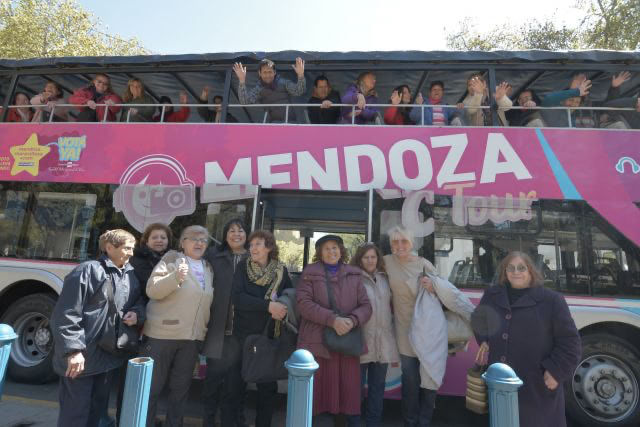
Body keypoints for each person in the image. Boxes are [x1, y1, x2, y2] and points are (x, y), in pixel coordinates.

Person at [471, 251, 581, 427]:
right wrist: (483, 339)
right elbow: (479, 318)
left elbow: (570, 342)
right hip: (500, 383)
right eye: (511, 268)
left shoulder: (552, 300)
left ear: (531, 270)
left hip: (536, 384)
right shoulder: (492, 295)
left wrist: (556, 371)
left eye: (521, 268)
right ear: (505, 271)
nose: (516, 272)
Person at [51, 229, 145, 427]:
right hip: (82, 357)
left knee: (95, 414)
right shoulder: (87, 270)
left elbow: (138, 302)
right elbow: (66, 313)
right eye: (127, 248)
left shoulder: (129, 274)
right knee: (75, 415)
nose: (131, 253)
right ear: (109, 247)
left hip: (108, 358)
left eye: (132, 248)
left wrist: (137, 313)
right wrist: (73, 351)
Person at [142, 225, 214, 427]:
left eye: (203, 240)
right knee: (152, 388)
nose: (199, 243)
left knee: (181, 391)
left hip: (191, 339)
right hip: (162, 335)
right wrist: (175, 277)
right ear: (183, 242)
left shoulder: (208, 267)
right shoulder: (172, 259)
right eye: (194, 238)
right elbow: (152, 290)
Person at [297, 234, 372, 427]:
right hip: (318, 342)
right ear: (320, 253)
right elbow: (303, 304)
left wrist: (352, 321)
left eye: (335, 247)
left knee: (345, 394)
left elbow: (366, 306)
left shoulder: (354, 274)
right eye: (327, 248)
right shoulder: (310, 272)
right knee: (315, 395)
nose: (332, 251)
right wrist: (332, 320)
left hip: (347, 342)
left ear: (341, 250)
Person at [229, 230, 293, 427]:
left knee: (267, 387)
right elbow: (237, 298)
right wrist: (267, 306)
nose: (253, 248)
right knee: (236, 385)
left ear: (269, 247)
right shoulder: (243, 267)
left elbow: (289, 295)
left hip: (268, 336)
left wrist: (281, 307)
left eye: (258, 244)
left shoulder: (280, 271)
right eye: (251, 244)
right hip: (243, 336)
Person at [383, 225, 441, 426]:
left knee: (429, 379)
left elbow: (444, 293)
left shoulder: (424, 264)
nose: (399, 246)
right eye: (395, 242)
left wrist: (433, 288)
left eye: (404, 241)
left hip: (427, 330)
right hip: (404, 330)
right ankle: (410, 421)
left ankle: (425, 421)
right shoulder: (386, 262)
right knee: (410, 379)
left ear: (412, 243)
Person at [202, 219, 250, 427]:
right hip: (217, 328)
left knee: (236, 383)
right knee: (212, 381)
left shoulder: (253, 257)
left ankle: (232, 421)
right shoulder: (213, 255)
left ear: (247, 235)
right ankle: (208, 420)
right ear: (225, 235)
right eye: (231, 230)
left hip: (242, 332)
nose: (236, 234)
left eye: (240, 231)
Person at [351, 243, 399, 427]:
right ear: (359, 260)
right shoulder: (353, 279)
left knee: (377, 390)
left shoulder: (385, 278)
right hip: (360, 343)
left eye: (373, 257)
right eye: (366, 257)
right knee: (355, 392)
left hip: (382, 344)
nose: (370, 261)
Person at [233, 58, 306, 123]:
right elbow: (245, 101)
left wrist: (300, 75)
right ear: (260, 73)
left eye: (270, 72)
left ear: (274, 72)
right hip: (275, 123)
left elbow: (299, 91)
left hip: (291, 122)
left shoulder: (283, 82)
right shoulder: (259, 88)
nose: (267, 75)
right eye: (265, 72)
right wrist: (242, 80)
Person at [129, 223, 173, 299]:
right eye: (154, 237)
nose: (159, 240)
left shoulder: (174, 259)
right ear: (146, 241)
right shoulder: (137, 259)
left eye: (163, 238)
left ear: (168, 241)